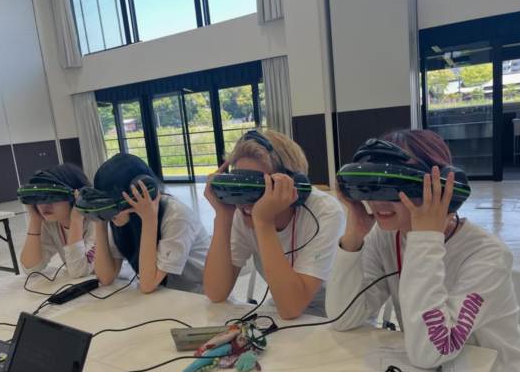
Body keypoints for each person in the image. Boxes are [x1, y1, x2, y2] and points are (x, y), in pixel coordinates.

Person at [326, 129, 520, 372]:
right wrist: (354, 235)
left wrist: (425, 239)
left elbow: (431, 350)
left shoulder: (487, 255)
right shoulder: (386, 238)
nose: (378, 201)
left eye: (397, 187)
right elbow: (343, 318)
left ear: (443, 189)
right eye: (371, 186)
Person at [204, 129, 345, 319]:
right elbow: (216, 293)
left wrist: (264, 222)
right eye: (240, 187)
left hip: (338, 313)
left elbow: (291, 308)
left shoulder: (325, 212)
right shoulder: (242, 211)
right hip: (283, 304)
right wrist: (223, 215)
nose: (246, 202)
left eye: (259, 188)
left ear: (294, 186)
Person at [92, 153, 210, 294]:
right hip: (166, 296)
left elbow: (148, 284)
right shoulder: (120, 218)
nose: (110, 210)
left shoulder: (177, 216)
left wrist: (149, 219)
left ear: (141, 191)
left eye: (114, 203)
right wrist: (99, 220)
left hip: (199, 296)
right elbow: (105, 277)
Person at [20, 163, 95, 278]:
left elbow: (79, 271)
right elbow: (31, 268)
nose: (44, 205)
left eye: (53, 197)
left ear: (76, 197)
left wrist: (76, 219)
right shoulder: (51, 224)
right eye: (38, 198)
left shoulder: (96, 221)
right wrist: (35, 219)